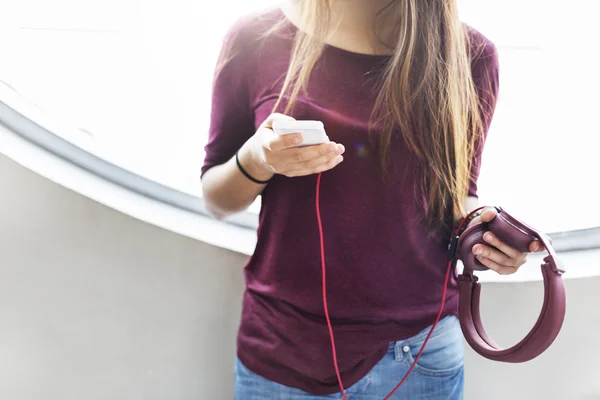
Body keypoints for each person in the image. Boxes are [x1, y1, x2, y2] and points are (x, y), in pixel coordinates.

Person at [201, 1, 543, 398]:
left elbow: (458, 194)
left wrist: (485, 236)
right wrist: (258, 158)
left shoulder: (471, 55)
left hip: (422, 355)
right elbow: (217, 199)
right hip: (286, 353)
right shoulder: (254, 38)